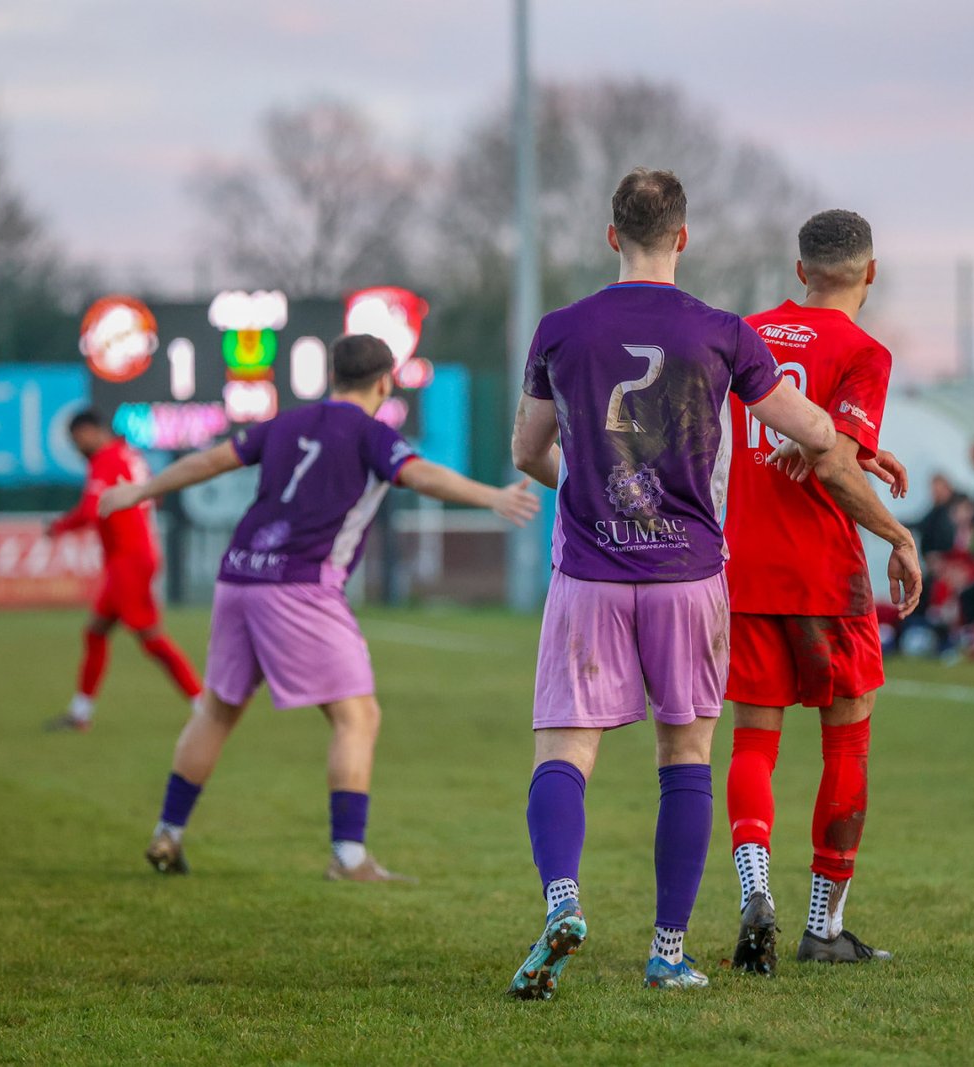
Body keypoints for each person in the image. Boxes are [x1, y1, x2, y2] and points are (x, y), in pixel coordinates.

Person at [505, 167, 837, 999]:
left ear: (611, 236)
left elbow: (527, 449)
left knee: (565, 749)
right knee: (684, 756)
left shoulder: (559, 329)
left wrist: (587, 483)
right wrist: (821, 439)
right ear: (683, 237)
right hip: (688, 574)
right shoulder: (724, 332)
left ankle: (562, 899)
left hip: (589, 570)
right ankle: (667, 952)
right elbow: (810, 427)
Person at [98, 334, 539, 880]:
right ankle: (349, 857)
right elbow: (418, 474)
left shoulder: (285, 423)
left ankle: (168, 832)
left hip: (239, 573)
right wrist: (492, 496)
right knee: (358, 717)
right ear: (384, 383)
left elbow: (210, 460)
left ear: (332, 376)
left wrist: (137, 493)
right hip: (299, 585)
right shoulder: (373, 434)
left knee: (216, 710)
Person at [721, 208, 922, 972]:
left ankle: (755, 890)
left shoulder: (745, 333)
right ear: (870, 273)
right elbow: (829, 460)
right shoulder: (864, 350)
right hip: (825, 577)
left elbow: (811, 445)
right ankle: (822, 925)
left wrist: (858, 452)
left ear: (800, 270)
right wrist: (898, 535)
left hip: (745, 567)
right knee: (847, 740)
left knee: (753, 741)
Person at [43, 409, 202, 732]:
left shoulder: (106, 459)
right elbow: (152, 498)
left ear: (89, 432)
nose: (77, 447)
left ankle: (204, 706)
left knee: (151, 639)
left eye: (77, 440)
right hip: (130, 556)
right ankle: (80, 712)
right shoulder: (128, 454)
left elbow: (93, 510)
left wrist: (60, 526)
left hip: (129, 560)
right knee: (96, 632)